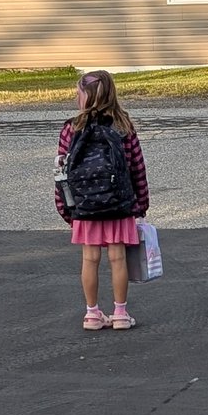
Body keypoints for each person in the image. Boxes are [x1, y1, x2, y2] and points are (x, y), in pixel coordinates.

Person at [54, 70, 150, 331]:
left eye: (78, 94)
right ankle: (120, 314)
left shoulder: (71, 128)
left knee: (90, 258)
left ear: (85, 97)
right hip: (118, 203)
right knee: (118, 258)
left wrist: (65, 209)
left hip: (84, 206)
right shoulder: (123, 126)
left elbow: (62, 173)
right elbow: (137, 168)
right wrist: (140, 204)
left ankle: (92, 314)